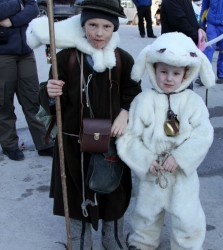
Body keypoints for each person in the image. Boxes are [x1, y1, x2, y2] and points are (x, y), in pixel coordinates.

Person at [27, 0, 142, 249]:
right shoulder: (65, 58)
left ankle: (113, 238)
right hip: (73, 142)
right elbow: (48, 99)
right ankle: (80, 241)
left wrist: (125, 113)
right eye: (92, 25)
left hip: (112, 140)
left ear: (114, 29)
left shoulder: (123, 60)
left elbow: (134, 93)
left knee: (113, 190)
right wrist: (49, 91)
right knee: (76, 189)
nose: (98, 33)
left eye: (105, 27)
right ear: (83, 25)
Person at [117, 32, 215, 250]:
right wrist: (145, 160)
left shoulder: (193, 102)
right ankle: (142, 242)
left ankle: (187, 245)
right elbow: (130, 136)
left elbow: (203, 134)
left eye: (176, 73)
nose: (169, 78)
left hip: (181, 174)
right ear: (153, 70)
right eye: (163, 71)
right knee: (146, 214)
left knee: (187, 216)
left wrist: (180, 157)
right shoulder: (143, 101)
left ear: (186, 74)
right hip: (153, 171)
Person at [0, 0, 54, 161]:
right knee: (4, 102)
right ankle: (10, 145)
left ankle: (44, 143)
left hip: (25, 52)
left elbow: (33, 9)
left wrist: (12, 21)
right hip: (3, 54)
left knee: (33, 99)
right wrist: (18, 4)